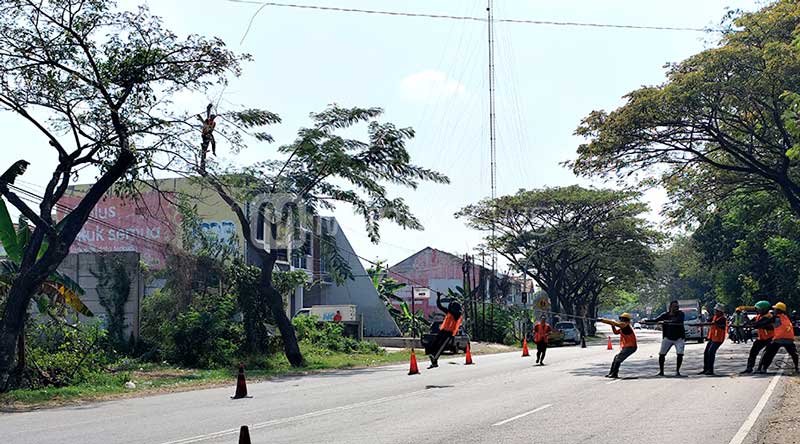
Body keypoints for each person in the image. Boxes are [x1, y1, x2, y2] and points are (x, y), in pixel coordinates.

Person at [641, 300, 686, 376]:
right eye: (675, 306)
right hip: (668, 337)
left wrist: (664, 322)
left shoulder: (681, 314)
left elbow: (677, 320)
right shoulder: (665, 314)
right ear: (670, 307)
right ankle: (661, 371)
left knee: (680, 354)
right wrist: (645, 321)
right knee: (662, 354)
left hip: (679, 337)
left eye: (677, 306)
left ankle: (677, 371)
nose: (676, 308)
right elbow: (656, 320)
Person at [758, 302, 799, 374]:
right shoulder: (786, 317)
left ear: (779, 310)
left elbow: (764, 322)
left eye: (775, 309)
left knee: (768, 353)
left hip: (778, 339)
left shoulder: (776, 317)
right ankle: (796, 368)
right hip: (789, 339)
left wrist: (755, 325)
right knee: (794, 354)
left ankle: (763, 368)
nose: (774, 310)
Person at [425, 293, 463, 369]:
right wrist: (439, 297)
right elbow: (440, 306)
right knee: (435, 344)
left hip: (449, 333)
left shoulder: (456, 314)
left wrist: (451, 301)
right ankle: (433, 360)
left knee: (441, 347)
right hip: (443, 331)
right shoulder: (451, 312)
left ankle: (435, 359)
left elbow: (441, 306)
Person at [739, 300, 774, 374]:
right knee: (753, 352)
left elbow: (758, 324)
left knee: (766, 354)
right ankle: (749, 368)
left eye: (759, 309)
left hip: (770, 338)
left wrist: (752, 324)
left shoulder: (768, 316)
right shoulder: (758, 316)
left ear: (764, 309)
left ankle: (762, 368)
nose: (757, 310)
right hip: (761, 338)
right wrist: (746, 322)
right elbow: (752, 322)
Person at [598, 313, 637, 379]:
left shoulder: (625, 325)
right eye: (620, 318)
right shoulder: (623, 327)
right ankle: (611, 373)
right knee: (616, 358)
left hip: (630, 346)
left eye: (622, 318)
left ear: (625, 319)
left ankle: (614, 374)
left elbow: (617, 324)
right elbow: (615, 332)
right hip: (627, 346)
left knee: (618, 359)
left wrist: (602, 320)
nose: (620, 320)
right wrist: (612, 325)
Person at [698, 304, 728, 375]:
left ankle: (710, 370)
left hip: (718, 339)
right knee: (706, 352)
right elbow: (709, 320)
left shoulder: (723, 319)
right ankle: (706, 369)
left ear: (720, 312)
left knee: (711, 352)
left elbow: (715, 323)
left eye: (716, 311)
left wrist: (710, 323)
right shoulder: (715, 317)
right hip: (712, 338)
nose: (715, 312)